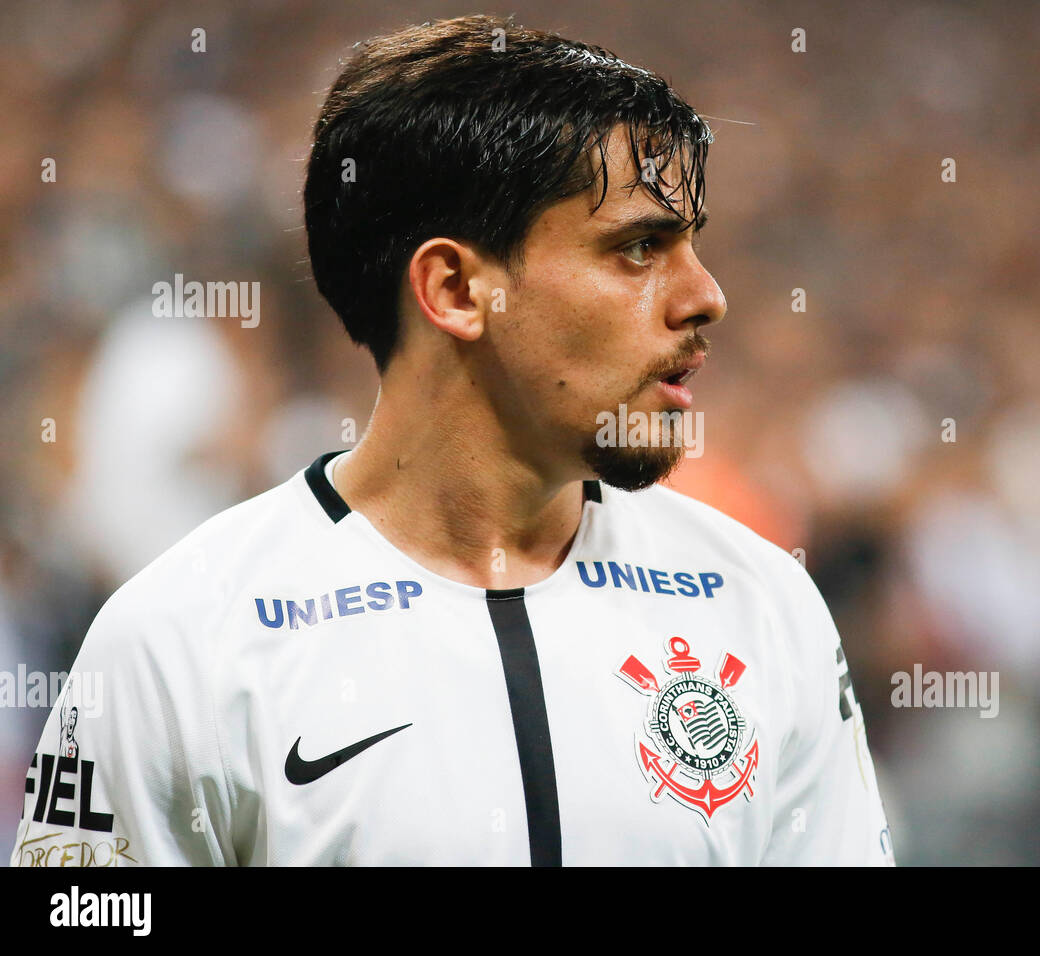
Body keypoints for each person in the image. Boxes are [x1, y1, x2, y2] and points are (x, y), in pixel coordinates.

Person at [11, 14, 894, 866]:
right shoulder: (180, 644)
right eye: (638, 248)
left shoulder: (762, 609)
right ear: (457, 290)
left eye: (689, 245)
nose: (705, 295)